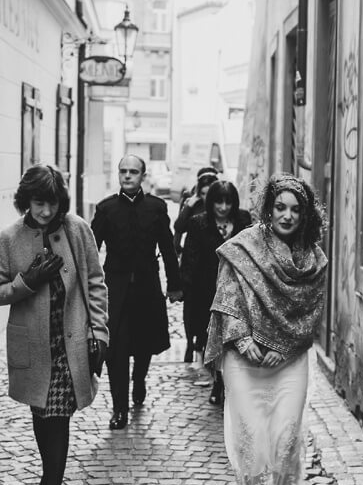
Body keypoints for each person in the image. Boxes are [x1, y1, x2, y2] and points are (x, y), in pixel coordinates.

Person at [204, 173, 328, 485]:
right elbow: (227, 297)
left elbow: (312, 314)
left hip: (289, 360)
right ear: (268, 209)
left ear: (305, 215)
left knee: (285, 435)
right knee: (253, 439)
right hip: (245, 359)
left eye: (295, 209)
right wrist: (242, 338)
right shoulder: (243, 248)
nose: (287, 216)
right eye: (280, 208)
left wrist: (287, 346)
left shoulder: (315, 261)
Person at [0, 164, 109, 485]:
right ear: (27, 201)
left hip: (70, 344)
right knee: (45, 419)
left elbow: (95, 282)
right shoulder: (10, 238)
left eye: (52, 203)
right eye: (39, 203)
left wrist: (99, 332)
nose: (46, 212)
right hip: (36, 348)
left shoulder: (77, 230)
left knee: (58, 420)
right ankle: (49, 478)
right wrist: (28, 281)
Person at [92, 154, 183, 430]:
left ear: (142, 176)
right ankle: (119, 409)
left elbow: (167, 248)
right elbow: (92, 250)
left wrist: (175, 285)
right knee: (115, 351)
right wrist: (88, 287)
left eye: (133, 171)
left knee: (144, 345)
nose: (127, 176)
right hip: (115, 290)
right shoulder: (106, 209)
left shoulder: (156, 208)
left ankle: (139, 380)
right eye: (123, 171)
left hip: (147, 287)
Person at [179, 180, 253, 401]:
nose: (223, 207)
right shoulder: (198, 223)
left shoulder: (243, 220)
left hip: (237, 291)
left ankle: (227, 382)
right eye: (218, 202)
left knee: (232, 338)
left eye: (228, 202)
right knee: (209, 337)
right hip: (206, 292)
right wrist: (185, 288)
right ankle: (217, 381)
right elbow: (190, 259)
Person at [172, 168, 220, 259]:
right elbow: (179, 228)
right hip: (193, 253)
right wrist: (188, 206)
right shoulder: (192, 202)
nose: (207, 197)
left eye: (209, 193)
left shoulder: (221, 205)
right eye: (203, 194)